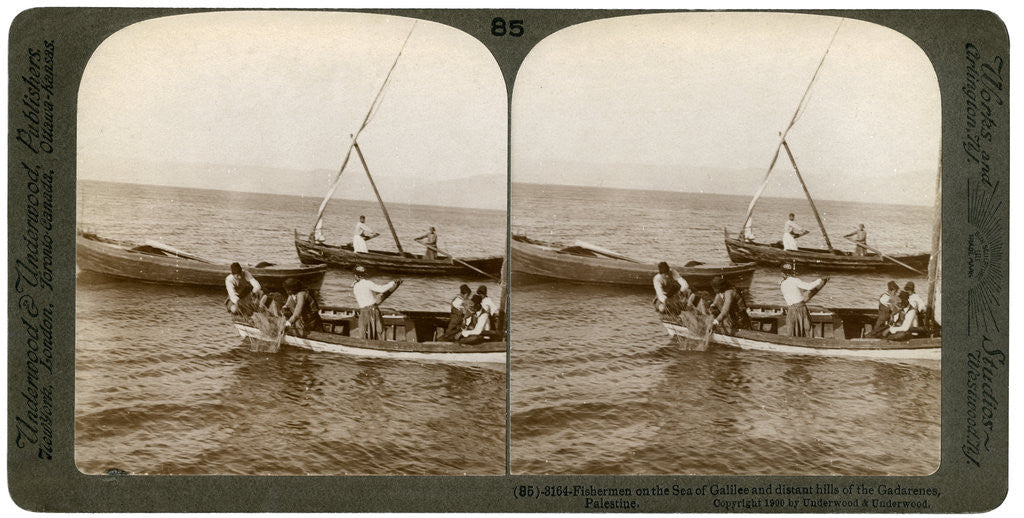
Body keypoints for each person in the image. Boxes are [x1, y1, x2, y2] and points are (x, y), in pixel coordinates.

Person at [351, 265, 401, 340]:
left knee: (363, 332)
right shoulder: (367, 283)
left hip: (363, 312)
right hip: (373, 311)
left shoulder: (355, 286)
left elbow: (367, 293)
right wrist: (392, 283)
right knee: (379, 330)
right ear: (364, 275)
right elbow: (381, 290)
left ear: (355, 275)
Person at [779, 263, 825, 337]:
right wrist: (819, 280)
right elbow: (809, 287)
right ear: (792, 272)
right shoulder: (795, 280)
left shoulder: (781, 283)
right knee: (807, 329)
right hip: (801, 308)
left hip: (791, 310)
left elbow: (794, 291)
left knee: (793, 332)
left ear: (782, 273)